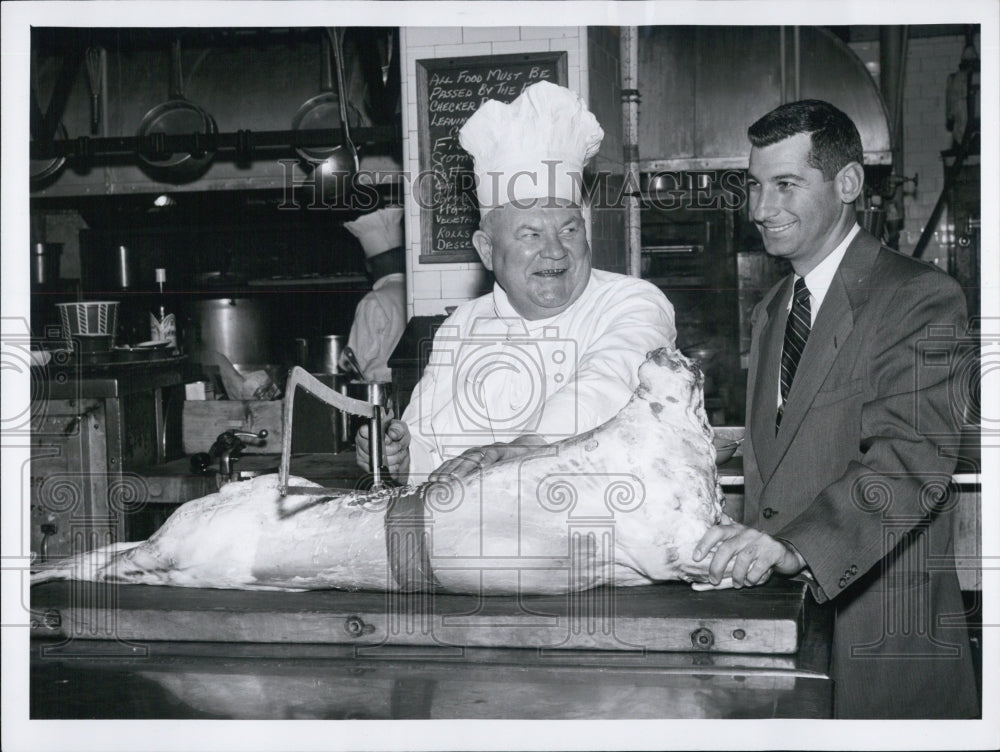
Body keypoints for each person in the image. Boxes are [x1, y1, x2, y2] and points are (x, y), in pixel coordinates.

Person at [692, 99, 978, 719]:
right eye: (755, 186)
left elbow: (910, 461)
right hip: (787, 638)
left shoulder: (921, 297)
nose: (761, 209)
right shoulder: (773, 309)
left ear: (847, 183)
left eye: (786, 185)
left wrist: (796, 547)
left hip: (883, 651)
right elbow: (782, 465)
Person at [357, 81, 676, 481]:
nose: (556, 251)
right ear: (487, 250)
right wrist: (399, 454)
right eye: (530, 234)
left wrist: (520, 450)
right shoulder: (462, 326)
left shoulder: (632, 302)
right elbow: (427, 447)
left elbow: (608, 381)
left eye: (570, 230)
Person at [340, 206, 407, 382]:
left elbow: (353, 361)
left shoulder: (374, 301)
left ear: (368, 266)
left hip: (378, 396)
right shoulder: (416, 295)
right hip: (411, 390)